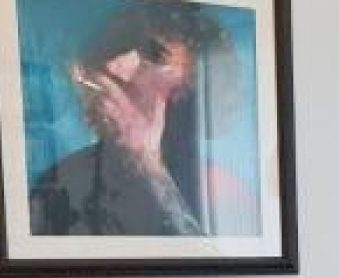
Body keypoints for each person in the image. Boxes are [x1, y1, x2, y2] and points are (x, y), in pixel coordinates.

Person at [29, 1, 258, 237]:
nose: (115, 67)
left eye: (154, 55)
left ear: (188, 98)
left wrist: (145, 164)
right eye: (123, 45)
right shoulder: (60, 181)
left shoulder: (223, 193)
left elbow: (214, 267)